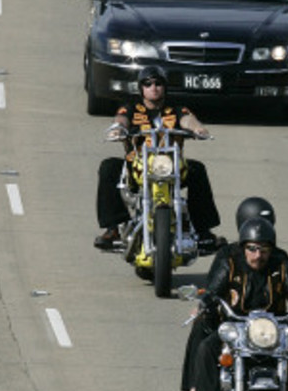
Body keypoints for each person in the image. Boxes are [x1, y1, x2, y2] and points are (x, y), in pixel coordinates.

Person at [183, 216, 288, 391]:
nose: (258, 255)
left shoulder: (279, 260)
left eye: (264, 250)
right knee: (207, 347)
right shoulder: (230, 260)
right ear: (244, 247)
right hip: (236, 325)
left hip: (273, 328)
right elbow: (215, 286)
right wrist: (206, 301)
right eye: (252, 249)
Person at [94, 64, 222, 254]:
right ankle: (113, 228)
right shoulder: (130, 108)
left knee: (197, 169)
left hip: (171, 166)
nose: (153, 87)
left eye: (158, 83)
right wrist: (118, 129)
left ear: (165, 87)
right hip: (136, 166)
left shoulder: (176, 109)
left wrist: (197, 129)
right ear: (141, 88)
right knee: (108, 167)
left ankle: (203, 232)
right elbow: (121, 120)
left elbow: (188, 119)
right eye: (147, 84)